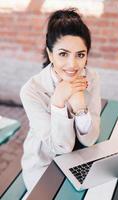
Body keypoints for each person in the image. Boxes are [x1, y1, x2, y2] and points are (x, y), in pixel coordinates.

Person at [20, 8, 101, 194]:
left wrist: (80, 106)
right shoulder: (31, 91)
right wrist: (58, 101)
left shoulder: (93, 78)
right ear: (50, 54)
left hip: (81, 156)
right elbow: (60, 147)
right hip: (44, 163)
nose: (72, 65)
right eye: (63, 54)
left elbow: (90, 139)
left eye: (80, 55)